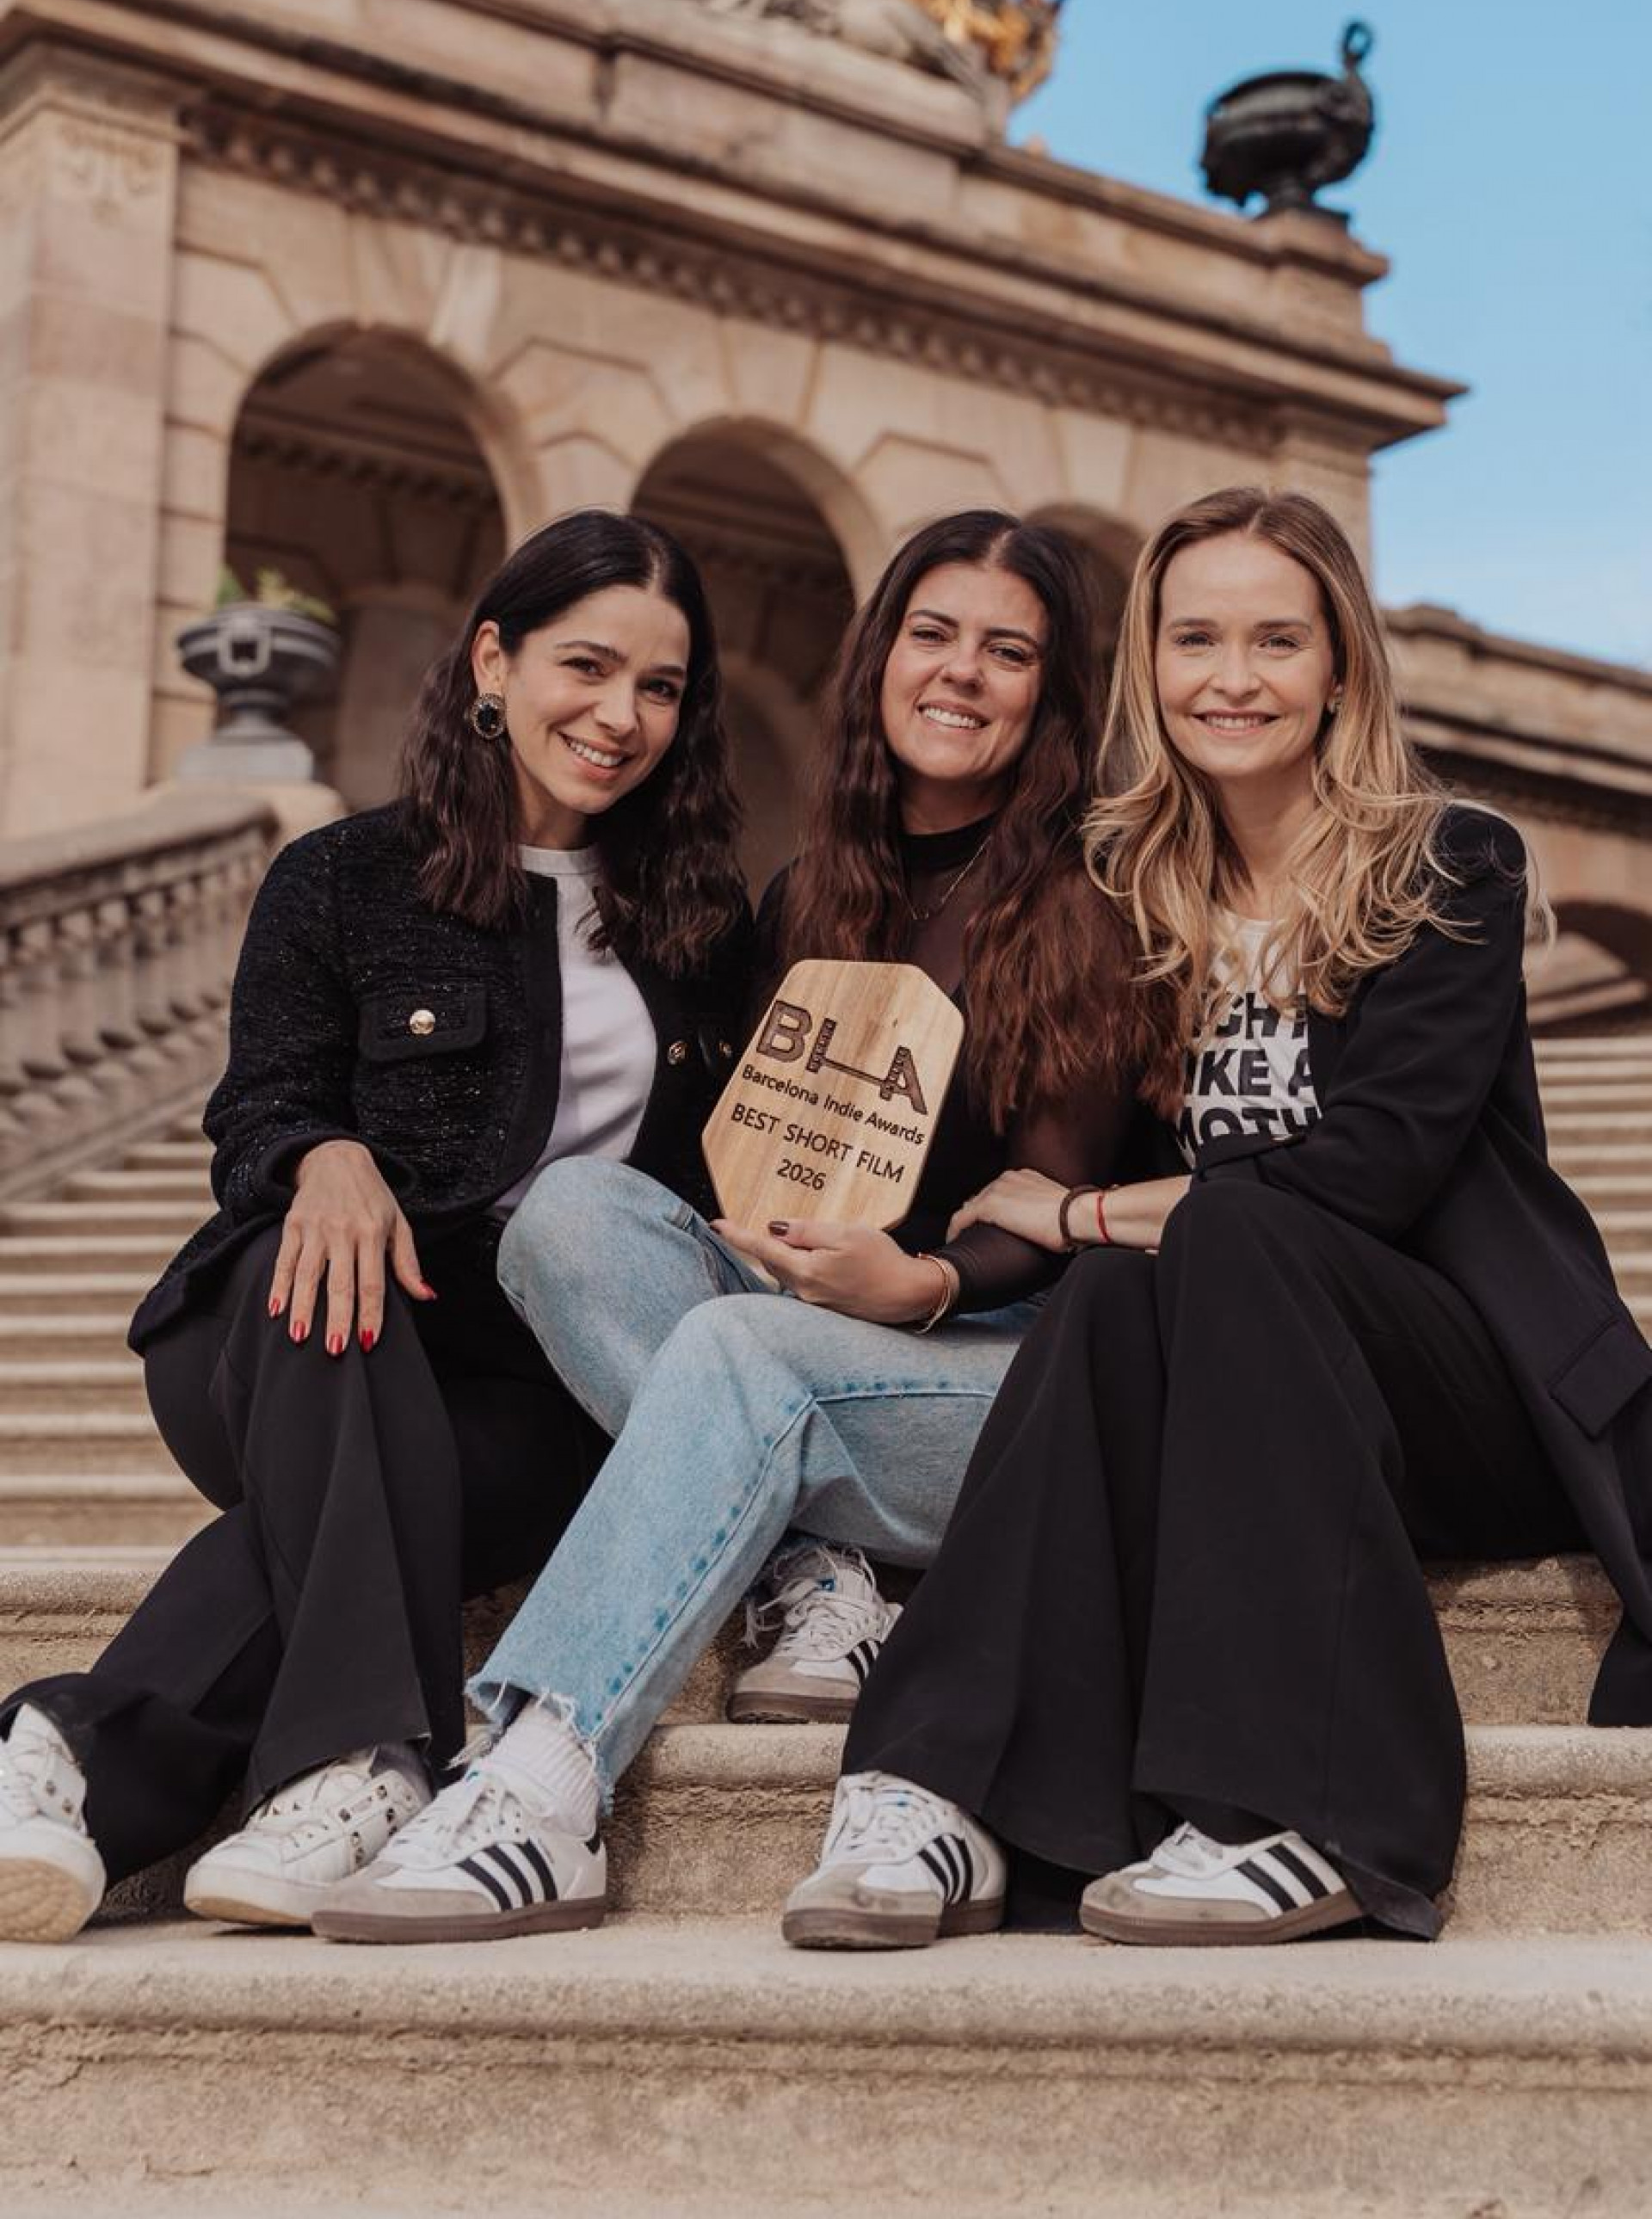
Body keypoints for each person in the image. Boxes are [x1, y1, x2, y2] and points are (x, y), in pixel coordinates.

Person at [781, 483, 1652, 1952]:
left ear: (1338, 668)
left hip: (1463, 1387)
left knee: (1213, 1237)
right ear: (1151, 664)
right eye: (1196, 639)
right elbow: (1027, 1164)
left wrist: (1090, 1208)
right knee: (1122, 1294)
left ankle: (1303, 1810)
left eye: (1275, 640)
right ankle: (936, 1788)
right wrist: (934, 1260)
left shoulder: (1453, 862)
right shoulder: (1128, 889)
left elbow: (1372, 1171)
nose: (1232, 679)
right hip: (1243, 1403)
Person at [305, 508, 1143, 1943]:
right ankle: (809, 1565)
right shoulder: (809, 893)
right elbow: (729, 1168)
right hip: (804, 1343)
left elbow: (1038, 1213)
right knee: (568, 1215)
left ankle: (543, 1779)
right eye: (934, 634)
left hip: (1000, 1376)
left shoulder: (1090, 901)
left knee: (748, 1358)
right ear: (879, 658)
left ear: (1051, 697)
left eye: (1010, 652)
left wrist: (924, 1279)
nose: (963, 673)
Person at [0, 510, 749, 1945]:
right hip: (286, 1335)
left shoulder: (704, 933)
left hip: (526, 1391)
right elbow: (259, 1104)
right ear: (493, 657)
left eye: (661, 687)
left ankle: (73, 1766)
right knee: (336, 1282)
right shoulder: (341, 878)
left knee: (376, 1485)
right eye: (587, 666)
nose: (621, 715)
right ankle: (367, 1758)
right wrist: (321, 1152)